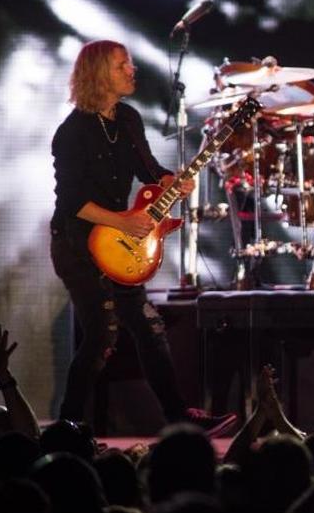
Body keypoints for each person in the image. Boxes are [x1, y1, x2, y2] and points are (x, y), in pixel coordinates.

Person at [50, 40, 236, 436]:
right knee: (101, 335)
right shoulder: (71, 133)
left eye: (130, 64)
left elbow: (148, 169)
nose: (131, 70)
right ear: (99, 74)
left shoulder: (128, 119)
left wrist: (169, 181)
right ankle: (67, 426)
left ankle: (179, 418)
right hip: (76, 244)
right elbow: (71, 203)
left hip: (119, 247)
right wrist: (123, 222)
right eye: (122, 65)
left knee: (149, 328)